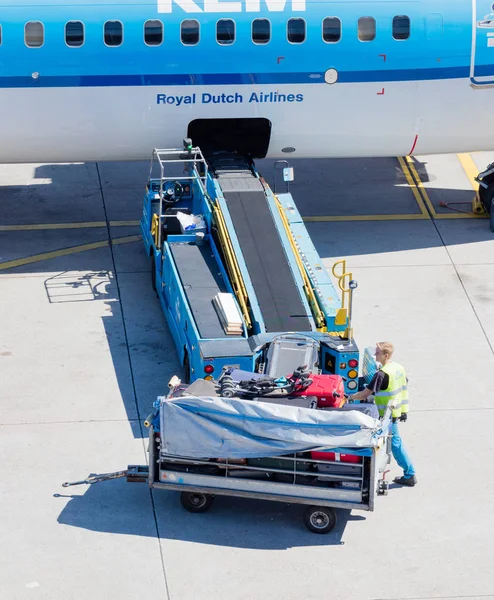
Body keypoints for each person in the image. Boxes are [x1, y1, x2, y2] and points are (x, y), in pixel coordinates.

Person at [348, 341, 417, 487]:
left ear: (386, 355)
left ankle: (410, 474)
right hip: (396, 411)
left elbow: (365, 394)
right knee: (390, 443)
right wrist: (404, 411)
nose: (374, 355)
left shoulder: (381, 374)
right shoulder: (398, 368)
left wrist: (349, 397)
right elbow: (403, 389)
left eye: (378, 353)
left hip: (386, 416)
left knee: (395, 444)